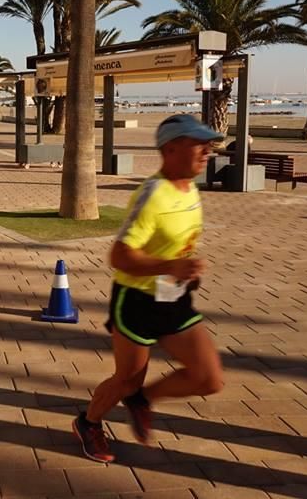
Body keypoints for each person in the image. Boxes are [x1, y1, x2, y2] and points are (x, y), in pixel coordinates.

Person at [72, 114, 225, 463]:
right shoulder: (153, 194)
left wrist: (185, 269)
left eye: (209, 144)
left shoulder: (190, 188)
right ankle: (89, 423)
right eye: (198, 144)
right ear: (169, 149)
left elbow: (174, 245)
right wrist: (170, 265)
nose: (207, 151)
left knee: (208, 378)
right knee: (126, 380)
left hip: (173, 297)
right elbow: (119, 255)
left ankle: (143, 399)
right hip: (136, 300)